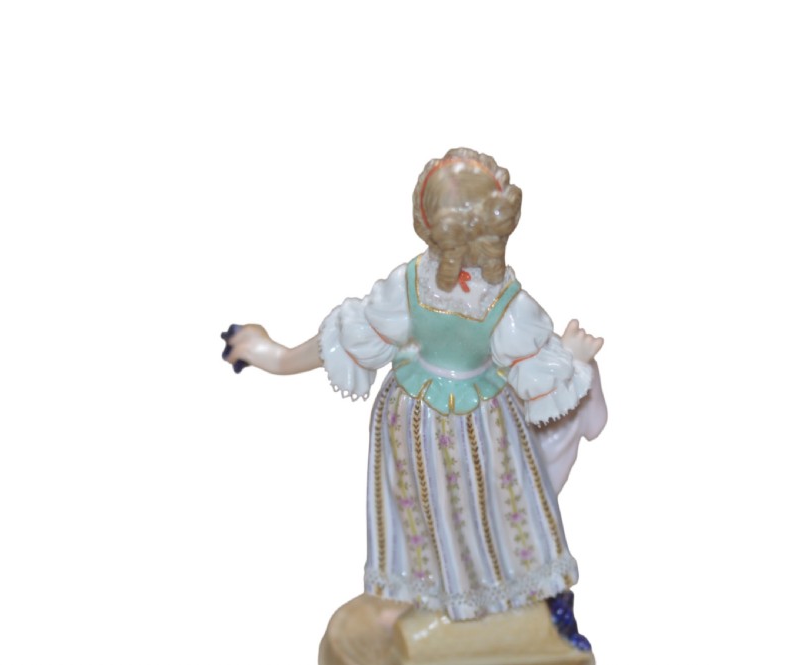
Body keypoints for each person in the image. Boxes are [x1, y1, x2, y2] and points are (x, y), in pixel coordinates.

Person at [222, 148, 605, 645]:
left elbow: (352, 334)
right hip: (476, 423)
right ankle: (453, 600)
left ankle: (471, 604)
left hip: (419, 417)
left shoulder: (411, 286)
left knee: (448, 506)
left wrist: (274, 356)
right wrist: (573, 359)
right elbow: (540, 371)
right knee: (463, 505)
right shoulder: (505, 305)